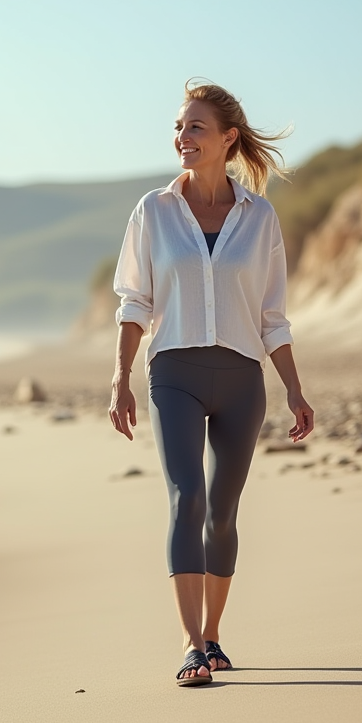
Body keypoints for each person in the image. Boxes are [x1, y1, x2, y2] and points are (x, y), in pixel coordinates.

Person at [108, 81, 314, 688]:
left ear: (228, 139)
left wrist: (295, 391)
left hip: (242, 378)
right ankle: (191, 644)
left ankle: (216, 635)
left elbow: (273, 315)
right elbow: (134, 300)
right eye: (179, 127)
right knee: (186, 498)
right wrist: (120, 376)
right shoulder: (154, 211)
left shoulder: (260, 217)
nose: (183, 137)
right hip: (173, 372)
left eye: (196, 127)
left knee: (222, 513)